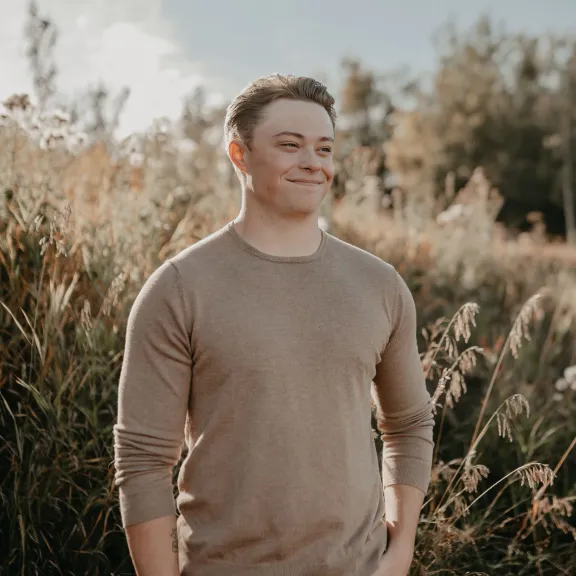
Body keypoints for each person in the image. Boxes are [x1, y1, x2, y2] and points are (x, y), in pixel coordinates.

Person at [113, 73, 435, 576]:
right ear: (239, 155)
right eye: (290, 145)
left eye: (324, 148)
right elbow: (143, 461)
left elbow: (410, 425)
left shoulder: (380, 285)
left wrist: (400, 552)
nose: (313, 163)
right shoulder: (178, 288)